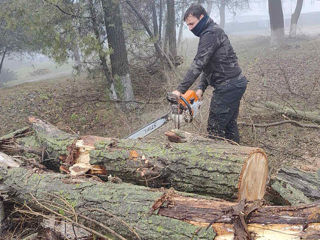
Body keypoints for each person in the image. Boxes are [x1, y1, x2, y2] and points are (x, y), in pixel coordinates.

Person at [172, 4, 247, 143]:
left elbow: (199, 63)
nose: (190, 28)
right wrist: (201, 87)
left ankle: (220, 160)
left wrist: (179, 90)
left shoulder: (211, 33)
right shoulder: (210, 32)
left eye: (192, 24)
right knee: (229, 124)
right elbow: (208, 64)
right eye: (187, 25)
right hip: (235, 84)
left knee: (215, 129)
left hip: (228, 86)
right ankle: (236, 155)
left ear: (201, 17)